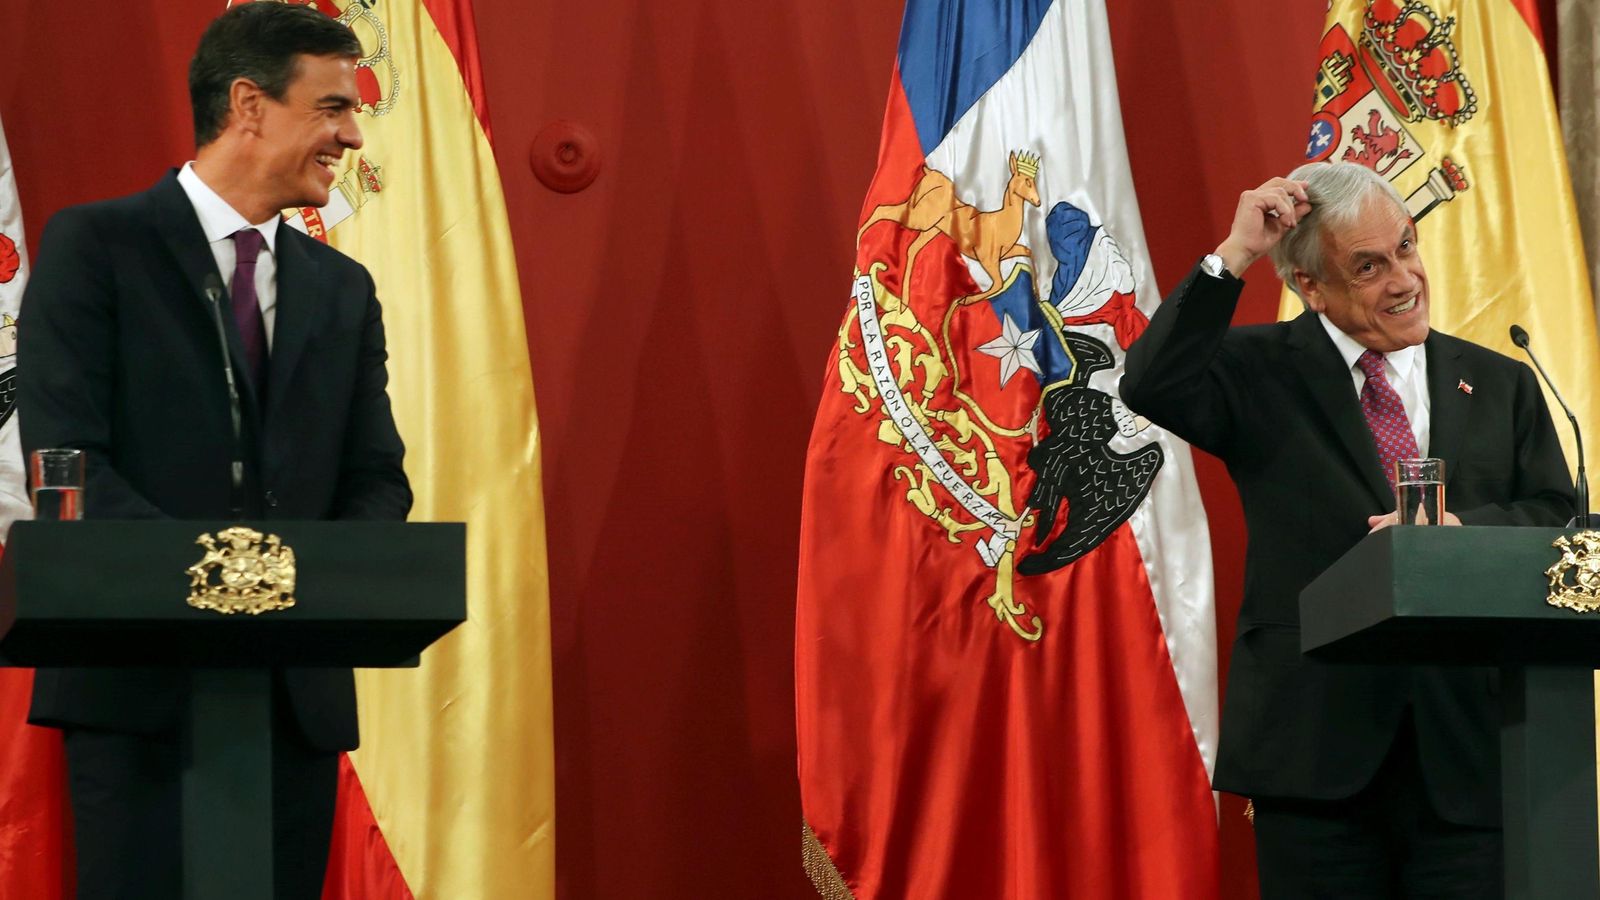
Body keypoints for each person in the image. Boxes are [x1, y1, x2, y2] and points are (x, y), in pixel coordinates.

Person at [18, 4, 410, 897]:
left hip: (289, 701)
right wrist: (233, 580)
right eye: (333, 108)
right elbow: (66, 465)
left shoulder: (341, 289)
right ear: (249, 104)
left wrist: (308, 580)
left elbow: (376, 479)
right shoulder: (98, 249)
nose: (351, 135)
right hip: (139, 698)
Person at [1122, 161, 1574, 898]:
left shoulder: (1500, 381)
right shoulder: (1259, 369)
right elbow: (1150, 383)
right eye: (1368, 266)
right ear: (1311, 287)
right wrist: (1233, 256)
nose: (1404, 279)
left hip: (1466, 760)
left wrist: (1460, 531)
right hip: (1314, 760)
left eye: (1405, 247)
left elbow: (1556, 520)